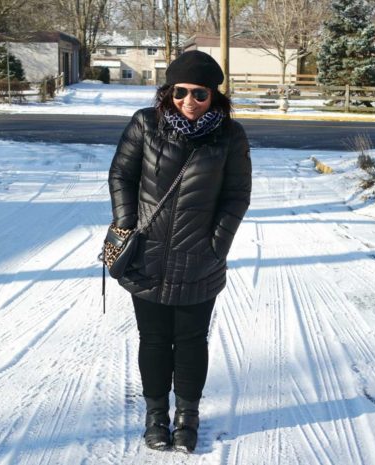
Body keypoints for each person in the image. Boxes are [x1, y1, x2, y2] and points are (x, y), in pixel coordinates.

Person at [107, 50, 252, 453]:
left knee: (190, 339)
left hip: (199, 257)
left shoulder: (230, 136)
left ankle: (187, 416)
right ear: (168, 91)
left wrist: (215, 245)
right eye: (180, 91)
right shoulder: (145, 124)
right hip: (146, 254)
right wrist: (126, 222)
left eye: (200, 94)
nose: (189, 101)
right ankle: (156, 415)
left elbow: (237, 195)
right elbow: (121, 173)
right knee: (153, 338)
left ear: (214, 97)